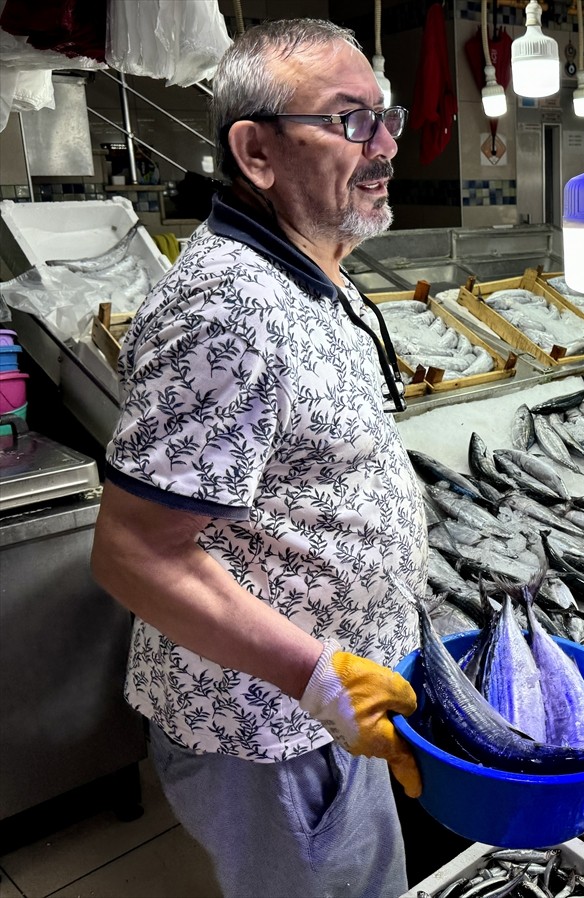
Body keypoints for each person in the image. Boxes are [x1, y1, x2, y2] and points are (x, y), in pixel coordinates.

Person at [90, 19, 426, 898]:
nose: (386, 144)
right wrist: (319, 680)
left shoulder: (310, 269)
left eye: (386, 117)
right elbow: (133, 552)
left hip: (333, 711)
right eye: (352, 121)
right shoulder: (225, 310)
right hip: (269, 728)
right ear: (257, 151)